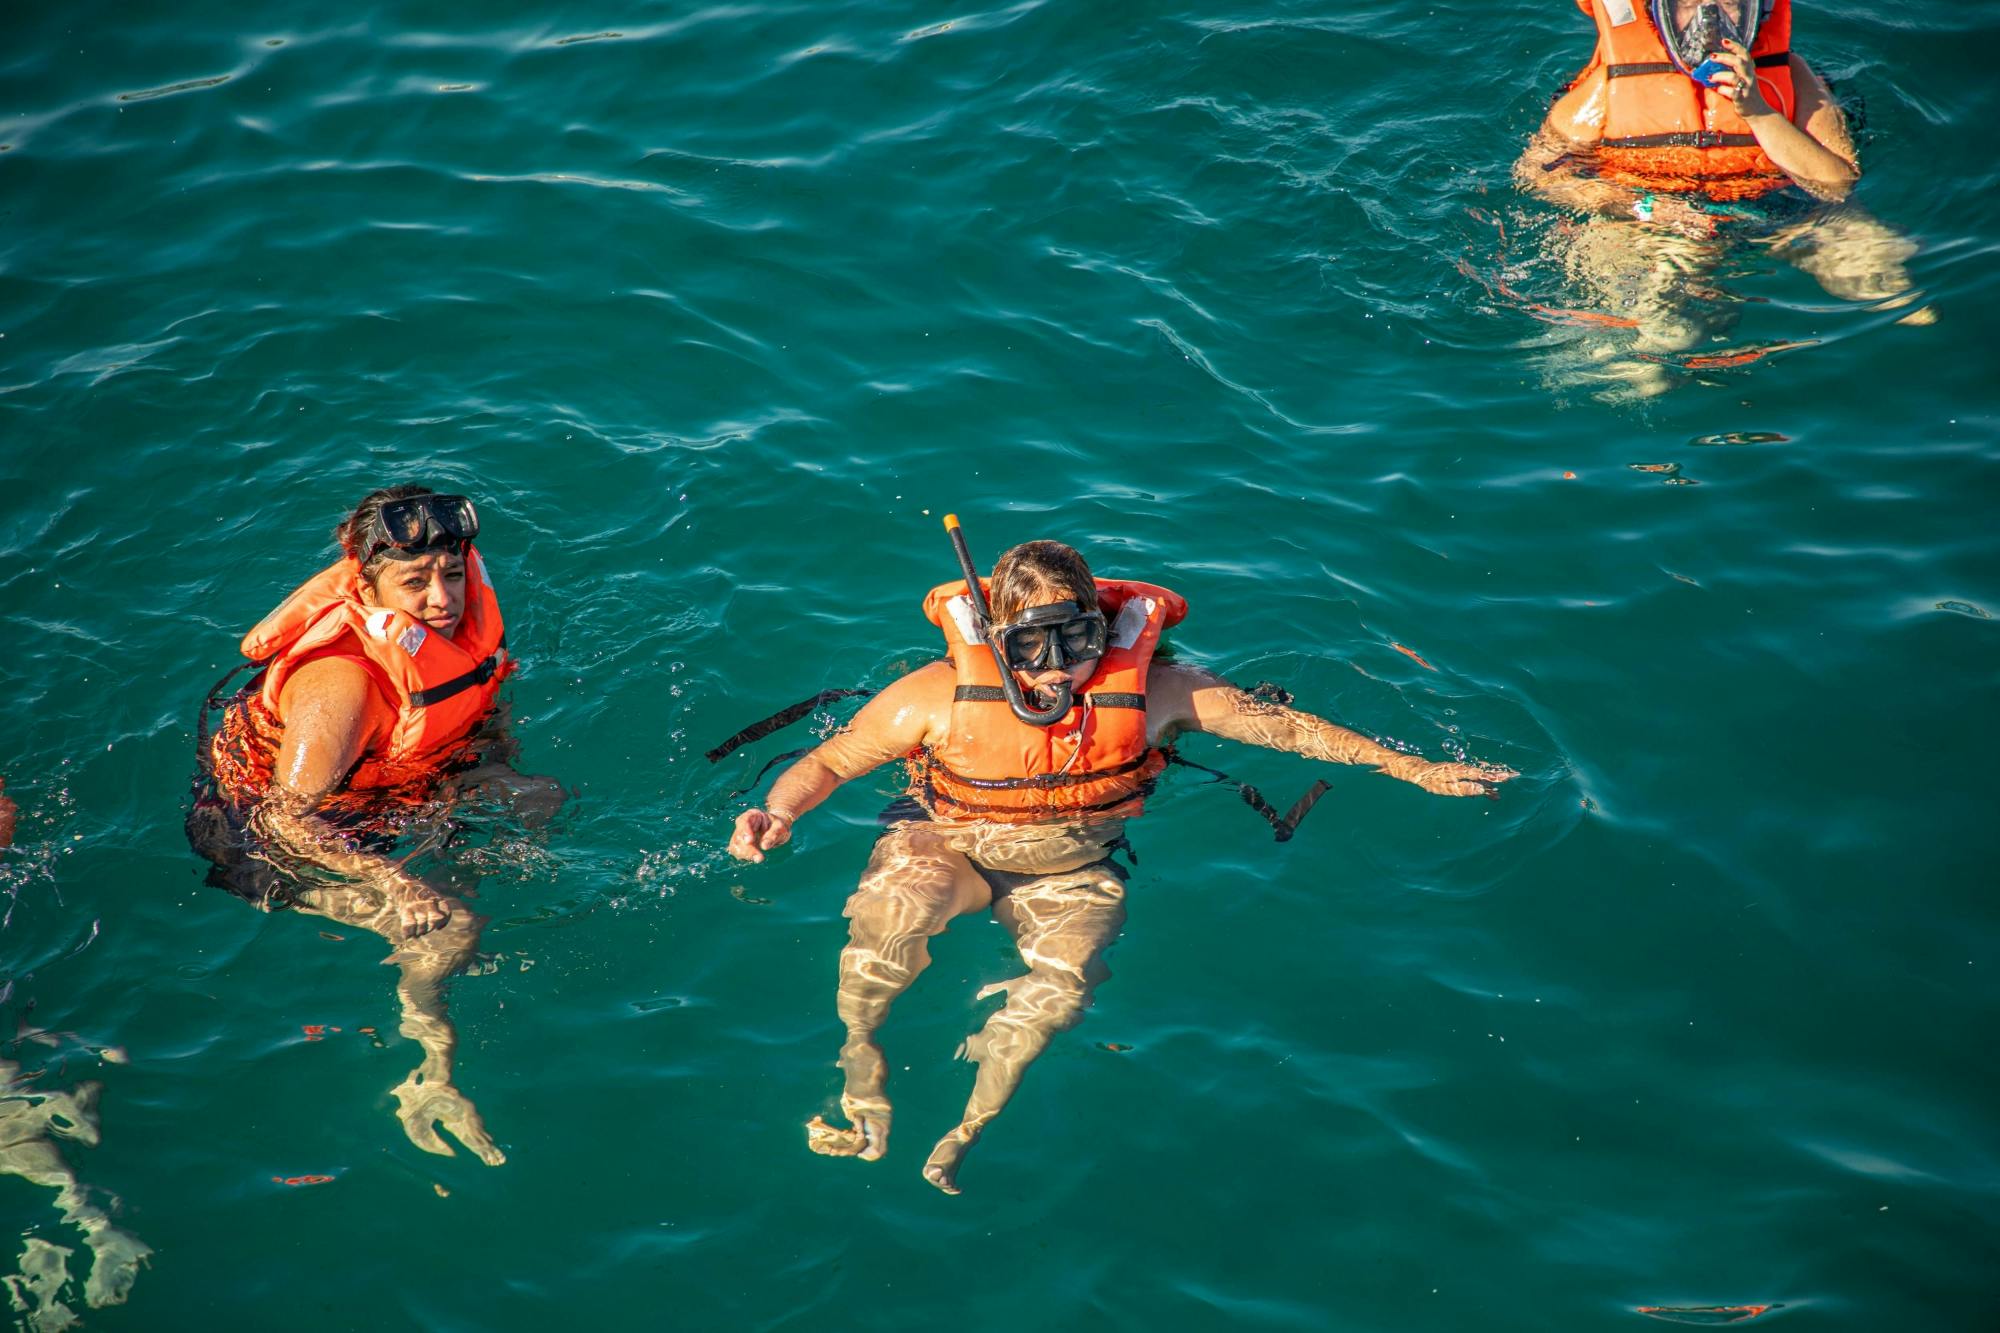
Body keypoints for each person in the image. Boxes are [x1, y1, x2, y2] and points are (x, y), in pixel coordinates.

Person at [725, 528, 1516, 1194]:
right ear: (997, 638)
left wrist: (1413, 767)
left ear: (1103, 634)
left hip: (1071, 867)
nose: (1056, 667)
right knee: (890, 922)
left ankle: (973, 1118)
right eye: (1031, 645)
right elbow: (831, 761)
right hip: (944, 838)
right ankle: (861, 1063)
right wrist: (779, 810)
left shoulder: (1162, 690)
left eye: (1078, 640)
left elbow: (1292, 730)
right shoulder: (933, 695)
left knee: (1066, 986)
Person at [187, 485, 545, 1165]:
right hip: (259, 838)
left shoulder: (448, 629)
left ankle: (446, 900)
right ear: (368, 584)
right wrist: (393, 881)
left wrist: (493, 765)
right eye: (415, 582)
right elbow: (282, 818)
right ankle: (429, 1069)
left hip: (385, 789)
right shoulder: (341, 680)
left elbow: (477, 707)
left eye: (452, 574)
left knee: (539, 798)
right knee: (450, 926)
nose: (442, 598)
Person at [1515, 0, 1928, 393]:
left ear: (1758, 11)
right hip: (1648, 221)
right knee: (1663, 337)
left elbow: (1836, 184)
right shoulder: (1607, 88)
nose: (1709, 22)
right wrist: (1644, 208)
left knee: (1883, 273)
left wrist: (1756, 111)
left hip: (1772, 209)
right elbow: (1537, 176)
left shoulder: (1792, 76)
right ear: (1658, 12)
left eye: (1730, 5)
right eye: (1688, 6)